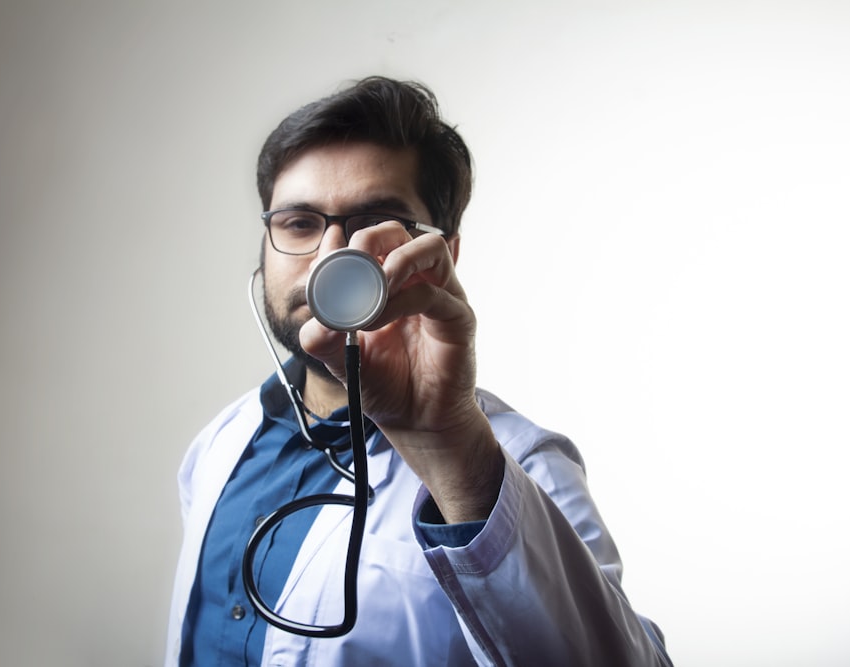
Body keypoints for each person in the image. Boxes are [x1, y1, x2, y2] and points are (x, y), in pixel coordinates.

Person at [165, 75, 672, 666]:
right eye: (299, 224)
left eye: (372, 224)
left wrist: (448, 447)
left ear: (441, 256)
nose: (330, 258)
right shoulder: (219, 446)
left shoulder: (519, 468)